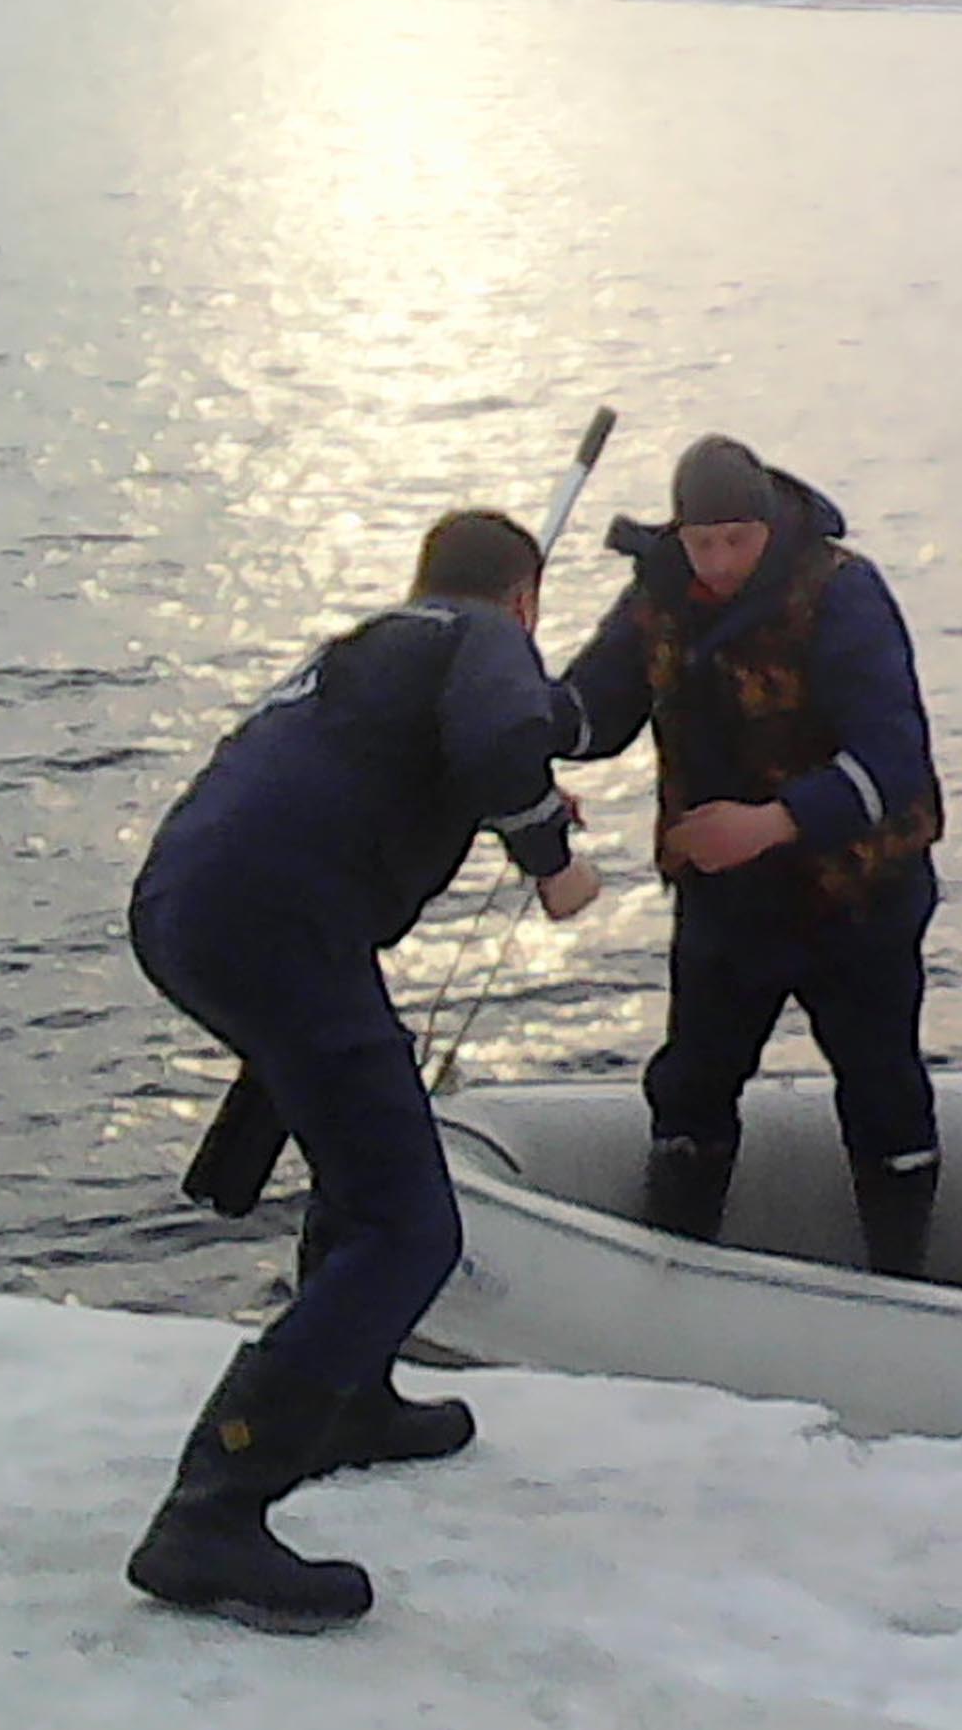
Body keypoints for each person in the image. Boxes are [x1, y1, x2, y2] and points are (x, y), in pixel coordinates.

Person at [124, 509, 603, 1628]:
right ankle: (216, 1503)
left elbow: (494, 743)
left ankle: (352, 1399)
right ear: (524, 599)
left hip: (186, 903)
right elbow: (499, 743)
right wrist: (550, 857)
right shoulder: (485, 635)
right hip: (275, 921)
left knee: (357, 1146)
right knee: (410, 1222)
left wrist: (522, 782)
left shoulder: (378, 646)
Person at [557, 436, 946, 1272]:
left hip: (855, 897)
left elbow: (892, 759)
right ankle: (673, 1265)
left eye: (740, 540)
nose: (721, 561)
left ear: (771, 526)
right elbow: (594, 712)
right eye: (704, 543)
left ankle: (901, 1272)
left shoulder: (843, 593)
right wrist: (519, 718)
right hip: (726, 909)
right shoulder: (655, 597)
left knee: (882, 1087)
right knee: (692, 1083)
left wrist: (770, 823)